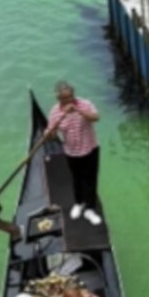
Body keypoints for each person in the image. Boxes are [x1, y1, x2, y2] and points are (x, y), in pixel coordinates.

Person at [46, 82, 103, 226]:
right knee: (76, 179)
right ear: (59, 99)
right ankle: (78, 203)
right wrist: (49, 133)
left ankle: (90, 209)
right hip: (71, 152)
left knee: (90, 179)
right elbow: (52, 135)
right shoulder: (55, 112)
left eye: (71, 97)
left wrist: (79, 111)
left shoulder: (85, 104)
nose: (69, 101)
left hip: (90, 148)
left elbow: (96, 118)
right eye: (65, 99)